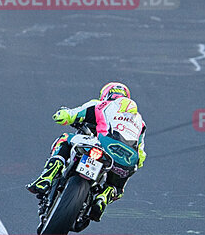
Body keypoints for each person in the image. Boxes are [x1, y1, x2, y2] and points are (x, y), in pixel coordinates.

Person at [26, 82, 146, 220]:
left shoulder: (101, 105)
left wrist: (61, 114)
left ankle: (48, 175)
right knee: (117, 186)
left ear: (105, 95)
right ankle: (103, 196)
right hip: (127, 160)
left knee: (65, 139)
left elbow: (71, 115)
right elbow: (141, 155)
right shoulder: (140, 121)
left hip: (102, 146)